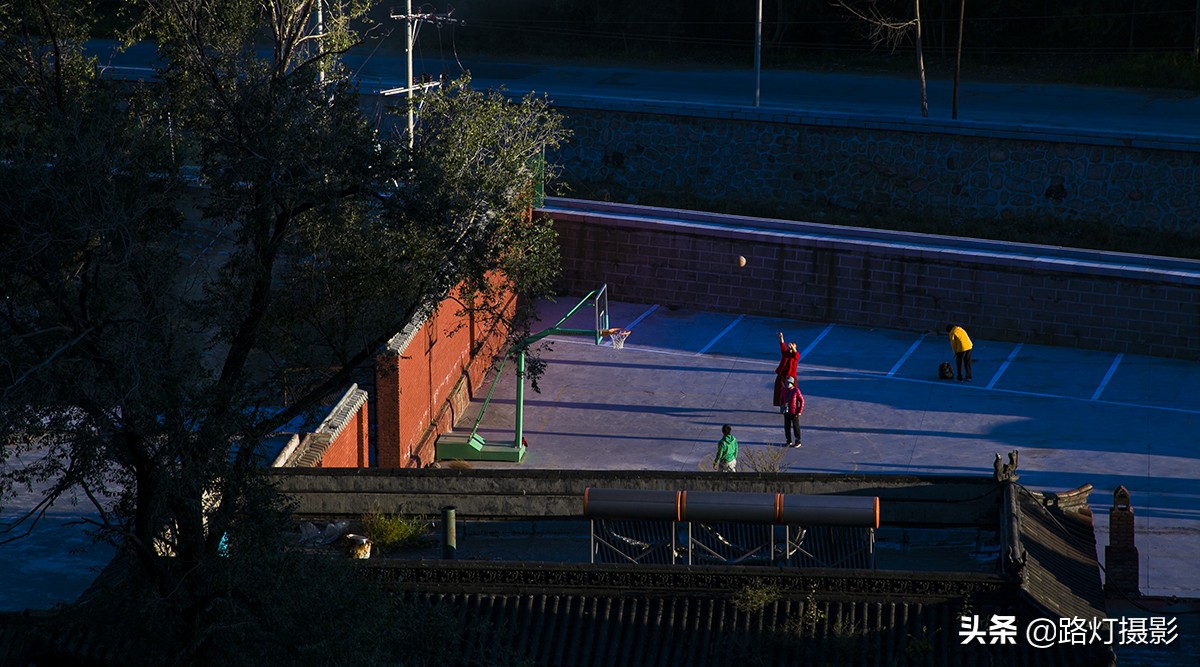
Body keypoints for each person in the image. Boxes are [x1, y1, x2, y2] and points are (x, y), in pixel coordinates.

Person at [774, 332, 800, 409]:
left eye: (793, 346)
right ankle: (782, 405)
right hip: (782, 375)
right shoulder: (785, 353)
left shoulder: (795, 356)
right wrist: (781, 337)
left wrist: (793, 347)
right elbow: (782, 345)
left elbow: (796, 354)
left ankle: (793, 405)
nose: (790, 347)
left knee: (792, 391)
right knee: (780, 390)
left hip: (791, 376)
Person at [780, 376, 805, 448]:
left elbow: (801, 400)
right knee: (786, 427)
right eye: (786, 383)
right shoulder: (783, 390)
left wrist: (799, 411)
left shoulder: (796, 390)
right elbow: (781, 399)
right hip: (786, 411)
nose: (787, 384)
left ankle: (798, 441)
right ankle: (788, 440)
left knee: (795, 426)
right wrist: (782, 407)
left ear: (792, 383)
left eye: (789, 383)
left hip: (794, 412)